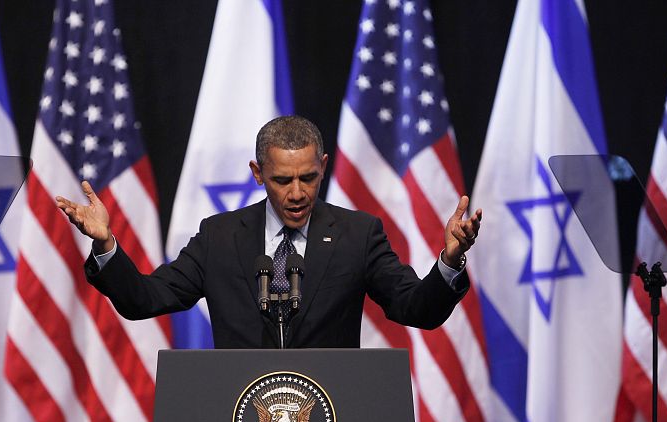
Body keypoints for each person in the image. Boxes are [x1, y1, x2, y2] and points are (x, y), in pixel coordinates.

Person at [56, 116, 481, 348]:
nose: (297, 193)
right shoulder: (219, 237)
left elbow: (417, 309)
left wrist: (449, 261)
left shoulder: (358, 234)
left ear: (323, 168)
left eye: (308, 178)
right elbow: (143, 299)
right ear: (258, 174)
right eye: (282, 180)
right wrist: (106, 244)